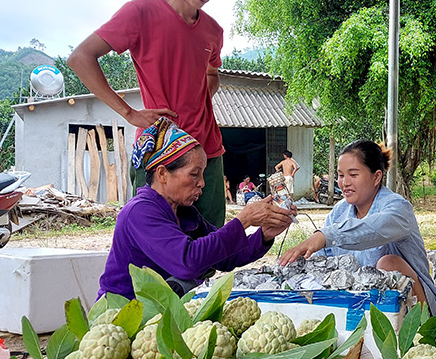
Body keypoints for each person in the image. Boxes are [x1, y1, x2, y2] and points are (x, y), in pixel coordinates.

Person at [67, 0, 229, 227]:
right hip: (159, 152)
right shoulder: (140, 14)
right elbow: (80, 57)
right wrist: (129, 113)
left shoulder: (213, 31)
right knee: (151, 244)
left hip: (206, 149)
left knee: (210, 243)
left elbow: (211, 75)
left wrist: (196, 98)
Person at [98, 118, 295, 300]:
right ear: (162, 174)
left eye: (202, 175)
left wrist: (264, 235)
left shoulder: (186, 213)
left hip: (159, 311)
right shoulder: (139, 212)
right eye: (194, 174)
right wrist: (243, 220)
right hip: (123, 317)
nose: (202, 183)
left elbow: (225, 256)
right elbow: (187, 262)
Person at [278, 140, 436, 315]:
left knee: (388, 263)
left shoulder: (398, 208)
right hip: (360, 305)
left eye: (353, 175)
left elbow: (372, 229)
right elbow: (324, 262)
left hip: (412, 306)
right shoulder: (339, 212)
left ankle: (421, 327)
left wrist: (323, 237)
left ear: (376, 177)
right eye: (340, 175)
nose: (345, 182)